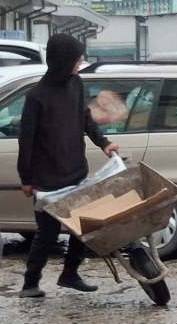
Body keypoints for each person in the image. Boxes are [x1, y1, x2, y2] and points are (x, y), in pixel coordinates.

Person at [18, 34, 120, 298]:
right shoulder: (36, 97)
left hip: (76, 170)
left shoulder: (76, 84)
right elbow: (26, 141)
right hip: (46, 178)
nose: (80, 62)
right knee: (47, 234)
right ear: (63, 61)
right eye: (77, 58)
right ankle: (30, 283)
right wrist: (26, 178)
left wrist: (104, 143)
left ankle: (70, 274)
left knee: (84, 227)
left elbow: (86, 119)